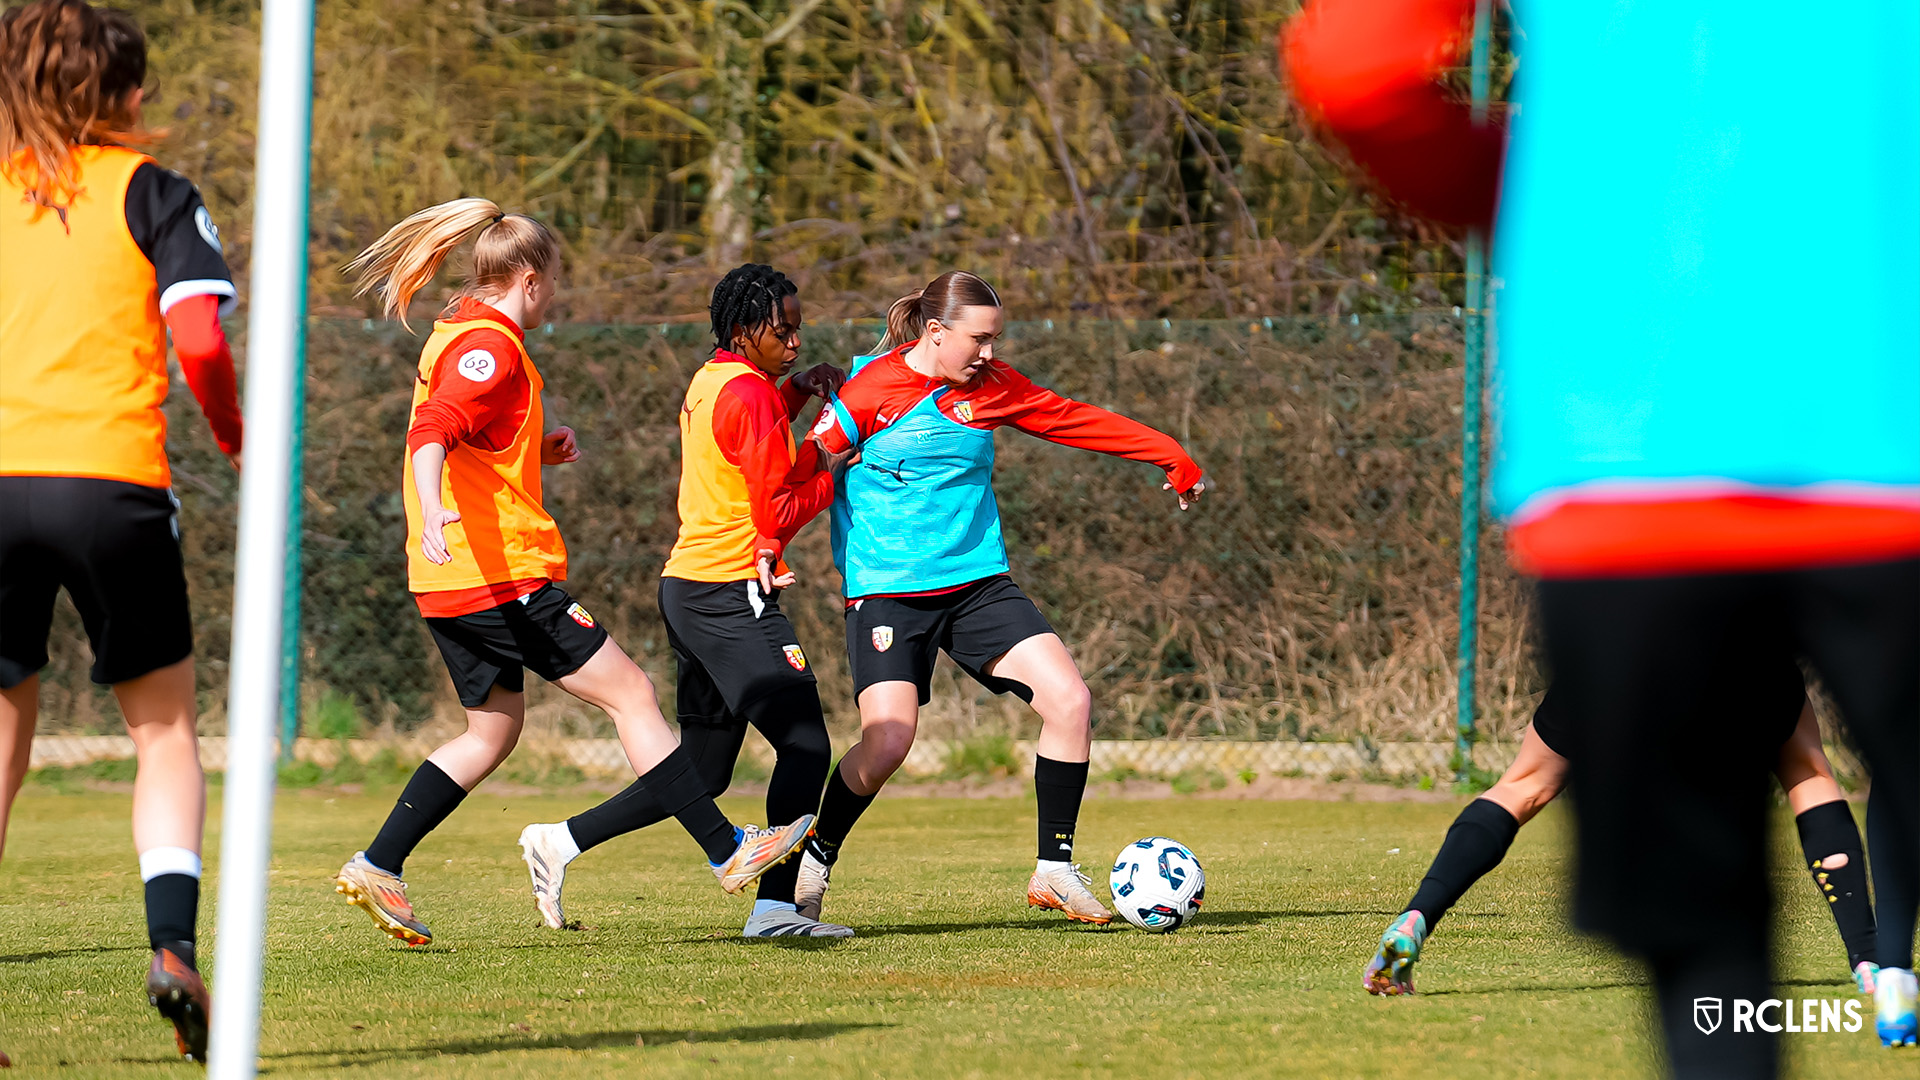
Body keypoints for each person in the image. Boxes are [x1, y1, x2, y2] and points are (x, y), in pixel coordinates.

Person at [1284, 0, 1919, 1068]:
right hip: (1881, 435)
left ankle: (1438, 927)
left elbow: (1355, 66)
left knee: (1702, 949)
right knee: (1809, 767)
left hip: (1627, 462)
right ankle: (1880, 968)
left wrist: (1544, 215)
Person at [331, 200, 812, 947]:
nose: (553, 297)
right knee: (632, 693)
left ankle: (380, 861)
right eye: (552, 283)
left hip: (449, 583)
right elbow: (434, 432)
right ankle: (728, 850)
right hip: (501, 575)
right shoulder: (488, 344)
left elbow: (468, 434)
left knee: (491, 732)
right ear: (529, 278)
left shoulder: (456, 330)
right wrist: (429, 510)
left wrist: (530, 450)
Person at [793, 270, 1207, 927]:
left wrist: (1167, 453)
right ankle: (813, 863)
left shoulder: (993, 387)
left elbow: (1075, 421)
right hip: (888, 592)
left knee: (1071, 700)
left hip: (979, 583)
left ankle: (1054, 868)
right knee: (888, 744)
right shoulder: (869, 389)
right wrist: (767, 542)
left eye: (996, 339)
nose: (989, 353)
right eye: (979, 339)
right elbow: (806, 472)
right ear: (935, 332)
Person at [0, 0, 244, 1061]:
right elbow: (197, 337)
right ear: (120, 95)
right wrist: (238, 439)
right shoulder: (154, 191)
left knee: (3, 731)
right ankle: (172, 945)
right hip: (110, 485)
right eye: (140, 85)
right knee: (162, 730)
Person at [518, 263, 857, 939]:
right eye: (781, 330)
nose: (794, 341)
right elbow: (778, 509)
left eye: (797, 329)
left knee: (703, 767)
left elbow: (749, 449)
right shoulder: (750, 396)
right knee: (806, 746)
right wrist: (832, 463)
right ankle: (775, 911)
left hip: (689, 588)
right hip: (731, 591)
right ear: (744, 327)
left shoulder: (714, 380)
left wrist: (794, 394)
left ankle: (559, 841)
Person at [1365, 674, 1879, 997]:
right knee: (1808, 776)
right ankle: (1870, 962)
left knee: (1523, 785)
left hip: (1620, 645)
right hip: (1741, 658)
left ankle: (1416, 918)